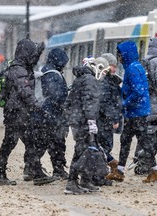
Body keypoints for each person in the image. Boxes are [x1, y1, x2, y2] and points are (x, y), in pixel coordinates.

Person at [0, 38, 55, 186]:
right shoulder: (19, 70)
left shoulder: (18, 68)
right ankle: (0, 172)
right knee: (13, 143)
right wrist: (37, 105)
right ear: (27, 53)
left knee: (27, 143)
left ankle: (34, 172)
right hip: (17, 113)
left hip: (18, 112)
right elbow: (24, 91)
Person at [106, 40, 151, 182]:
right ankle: (120, 170)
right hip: (139, 110)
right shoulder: (136, 66)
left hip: (135, 112)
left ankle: (153, 170)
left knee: (133, 141)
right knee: (131, 140)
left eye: (120, 55)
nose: (119, 58)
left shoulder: (131, 68)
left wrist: (124, 103)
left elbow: (138, 91)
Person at [64, 57, 110, 195]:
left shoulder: (83, 78)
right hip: (82, 120)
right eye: (104, 72)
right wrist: (91, 121)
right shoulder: (90, 80)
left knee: (86, 149)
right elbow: (89, 102)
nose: (103, 75)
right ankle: (72, 182)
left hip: (78, 118)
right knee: (82, 150)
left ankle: (85, 179)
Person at [130, 37, 157, 182]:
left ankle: (141, 162)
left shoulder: (143, 62)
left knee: (145, 135)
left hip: (144, 105)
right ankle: (144, 160)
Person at [25, 48, 70, 181]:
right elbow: (54, 95)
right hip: (51, 115)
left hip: (43, 115)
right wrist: (65, 95)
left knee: (45, 143)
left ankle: (32, 168)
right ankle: (49, 169)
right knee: (55, 143)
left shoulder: (45, 70)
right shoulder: (53, 74)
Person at [94, 53, 123, 186]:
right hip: (104, 120)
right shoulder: (107, 81)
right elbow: (108, 103)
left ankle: (107, 168)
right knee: (103, 145)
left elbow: (109, 103)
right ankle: (106, 169)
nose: (114, 69)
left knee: (103, 146)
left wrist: (114, 118)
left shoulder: (105, 80)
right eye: (112, 66)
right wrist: (114, 118)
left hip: (103, 120)